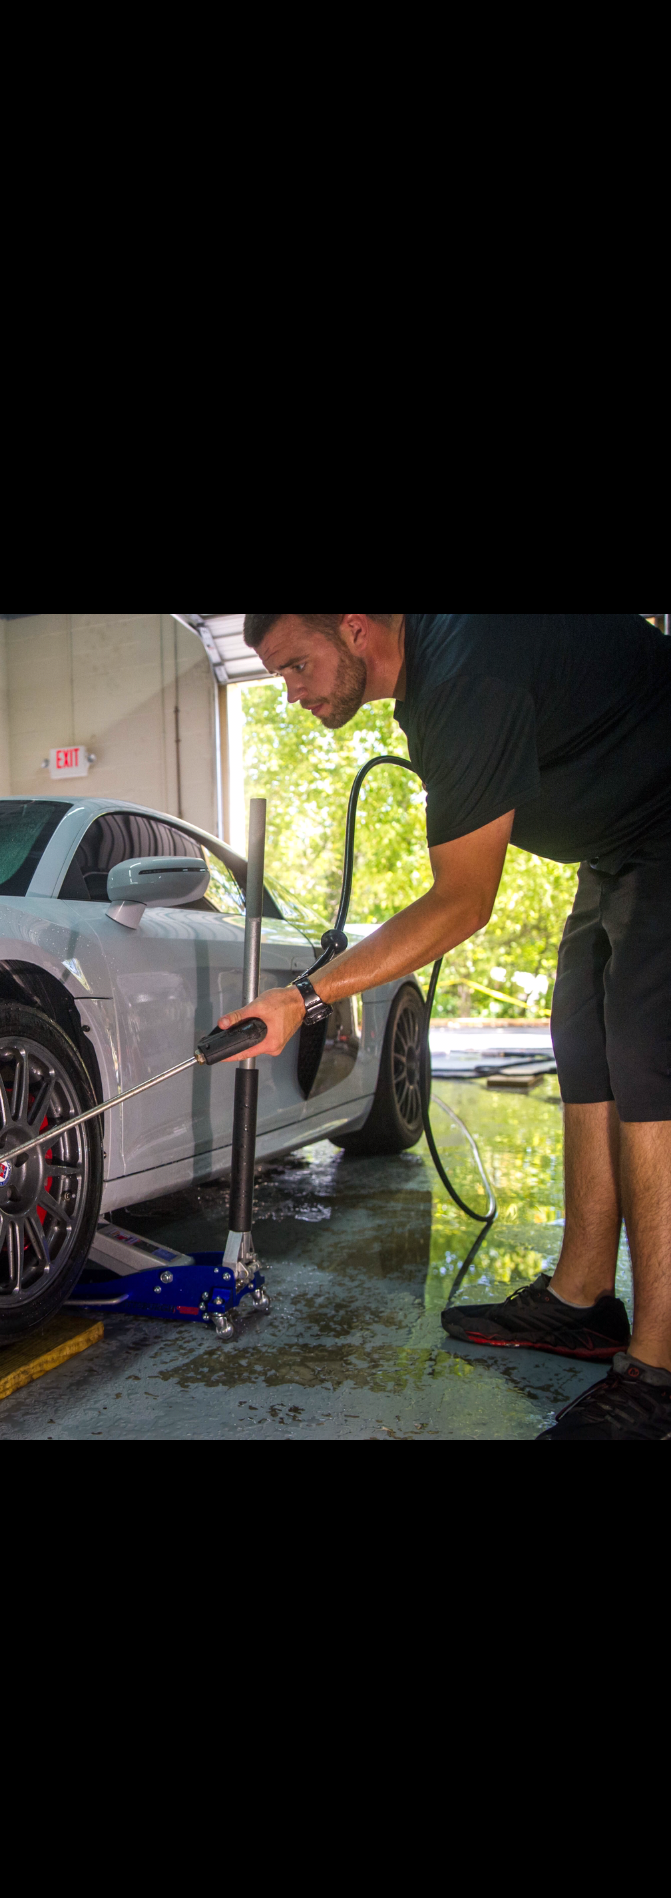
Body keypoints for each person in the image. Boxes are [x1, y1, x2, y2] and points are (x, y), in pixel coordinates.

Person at [217, 613, 671, 1443]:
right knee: (583, 1038)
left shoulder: (465, 670)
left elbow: (463, 900)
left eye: (295, 667)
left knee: (647, 1050)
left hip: (663, 824)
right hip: (619, 845)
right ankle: (580, 1299)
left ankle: (660, 1366)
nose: (291, 694)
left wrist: (302, 998)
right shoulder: (433, 686)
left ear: (355, 628)